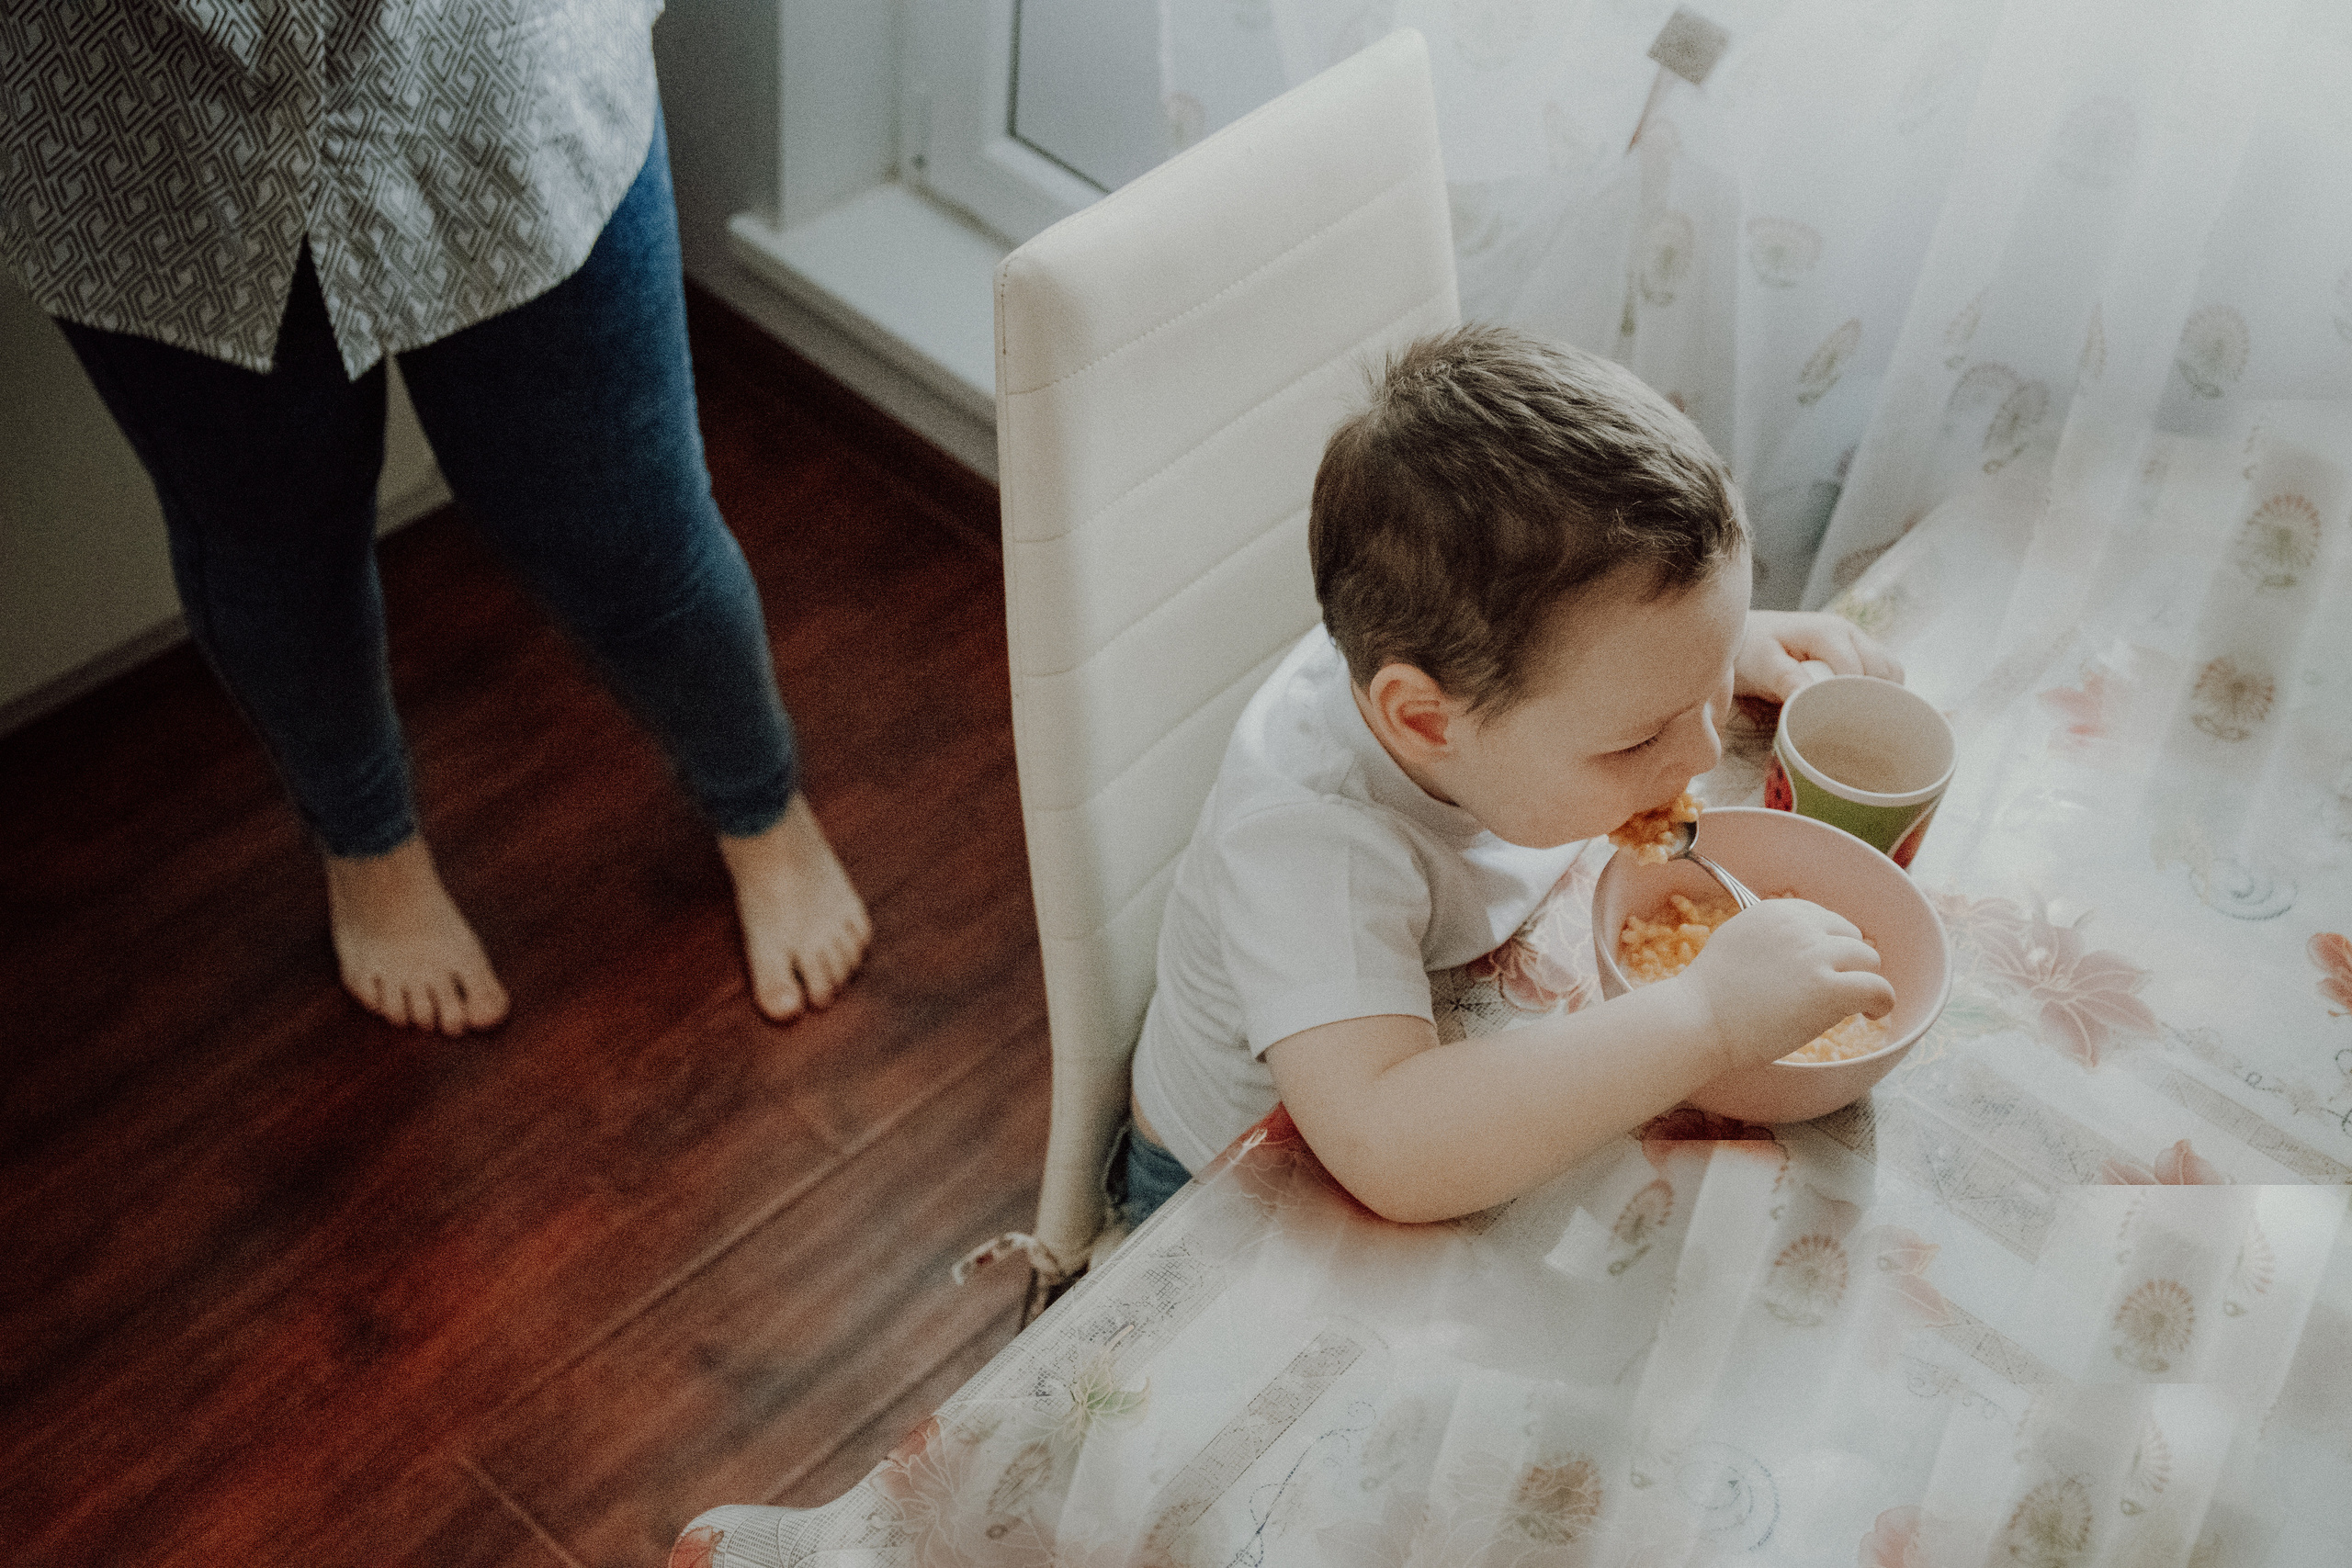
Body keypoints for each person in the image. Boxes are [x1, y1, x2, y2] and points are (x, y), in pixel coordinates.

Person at [1, 4, 869, 1033]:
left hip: (489, 55)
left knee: (633, 524)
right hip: (146, 117)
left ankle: (759, 800)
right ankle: (366, 843)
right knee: (269, 543)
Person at [1116, 325, 1902, 1227]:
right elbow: (1393, 1150)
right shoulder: (1310, 844)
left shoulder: (1479, 670)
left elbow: (1598, 663)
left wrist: (1714, 655)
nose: (1695, 754)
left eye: (1712, 685)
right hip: (1231, 1194)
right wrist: (1707, 1016)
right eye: (1638, 737)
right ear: (1421, 721)